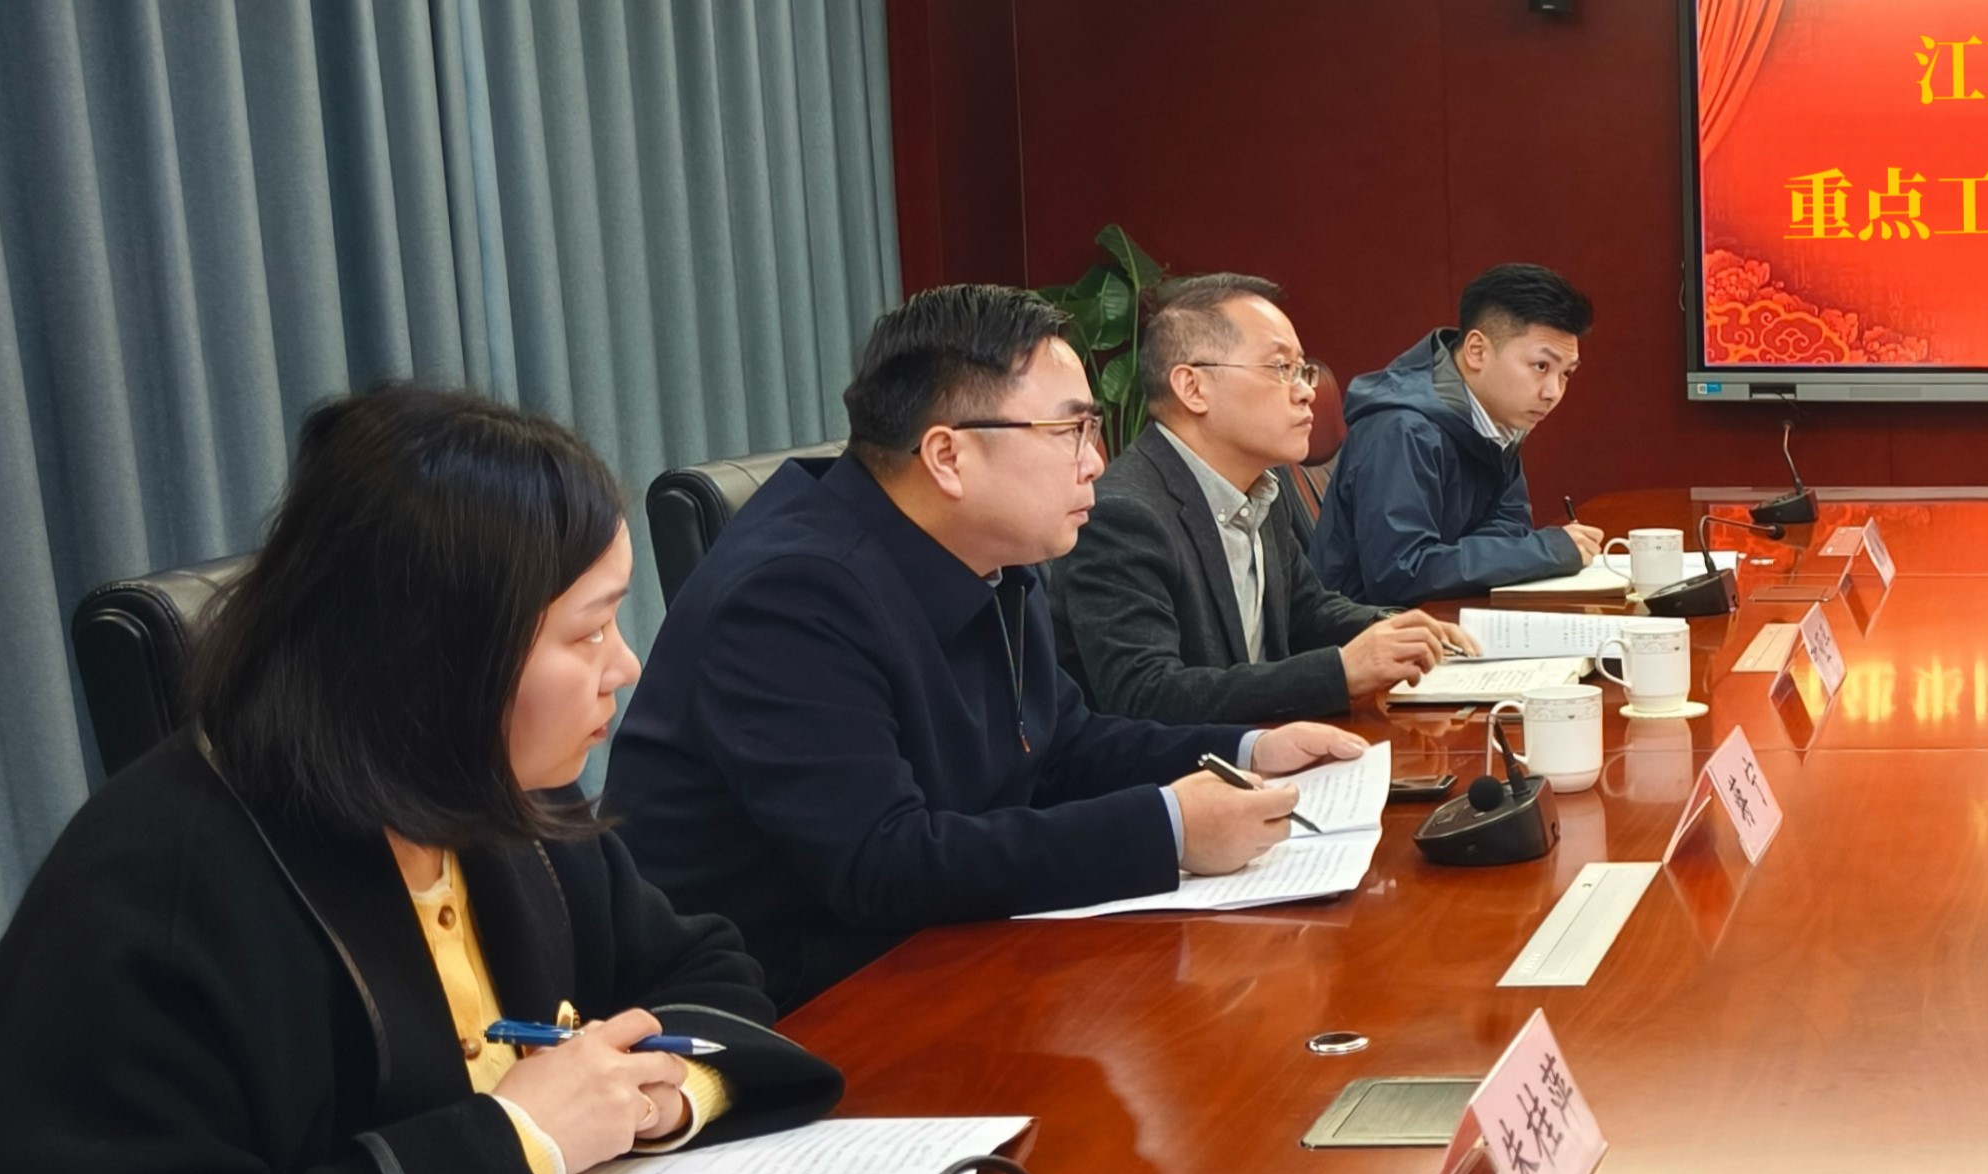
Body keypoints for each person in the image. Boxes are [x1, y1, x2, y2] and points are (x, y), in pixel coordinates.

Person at [0, 386, 843, 1174]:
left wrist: (651, 1098)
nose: (627, 667)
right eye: (587, 632)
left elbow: (704, 973)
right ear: (441, 652)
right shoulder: (161, 890)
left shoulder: (491, 805)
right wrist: (524, 1139)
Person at [609, 286, 1370, 1007]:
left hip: (947, 956)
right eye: (1069, 432)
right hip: (801, 1009)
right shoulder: (793, 594)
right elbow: (881, 862)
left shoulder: (990, 553)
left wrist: (1247, 748)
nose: (1096, 462)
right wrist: (1166, 828)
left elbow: (1060, 746)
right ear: (947, 456)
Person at [1060, 273, 1471, 725]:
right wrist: (1339, 672)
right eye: (1280, 368)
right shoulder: (1124, 514)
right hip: (1197, 766)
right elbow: (1147, 695)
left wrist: (1390, 627)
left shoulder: (1260, 484)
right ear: (1193, 388)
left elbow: (1305, 610)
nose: (1306, 391)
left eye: (1302, 369)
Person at [1309, 263, 1606, 607]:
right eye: (1541, 366)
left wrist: (1519, 553)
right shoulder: (1401, 429)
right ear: (1477, 351)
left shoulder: (1497, 419)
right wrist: (1547, 550)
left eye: (1566, 373)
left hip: (1442, 615)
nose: (1553, 392)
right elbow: (1400, 574)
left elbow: (1510, 530)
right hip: (1369, 628)